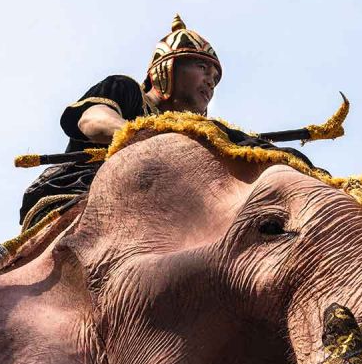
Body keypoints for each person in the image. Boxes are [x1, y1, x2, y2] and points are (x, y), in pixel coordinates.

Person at [18, 15, 222, 228]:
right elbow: (93, 120)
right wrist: (152, 140)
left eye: (215, 78)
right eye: (202, 67)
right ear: (168, 68)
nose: (210, 81)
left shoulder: (194, 135)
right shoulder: (127, 90)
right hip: (78, 192)